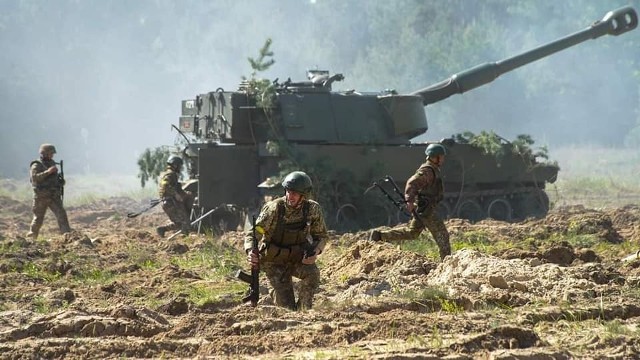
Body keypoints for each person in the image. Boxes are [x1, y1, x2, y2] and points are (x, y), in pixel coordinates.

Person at [244, 171, 328, 310]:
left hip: (296, 258)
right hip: (274, 262)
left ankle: (304, 310)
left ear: (304, 195)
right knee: (287, 308)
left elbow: (321, 236)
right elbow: (254, 233)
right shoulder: (274, 209)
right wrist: (250, 251)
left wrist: (316, 251)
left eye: (295, 193)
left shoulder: (312, 209)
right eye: (288, 191)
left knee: (312, 274)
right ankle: (277, 293)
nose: (290, 196)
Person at [370, 143, 451, 260]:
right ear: (435, 157)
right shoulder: (428, 171)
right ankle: (447, 263)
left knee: (412, 233)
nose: (443, 159)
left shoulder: (432, 169)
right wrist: (409, 200)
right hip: (427, 210)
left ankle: (380, 236)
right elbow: (412, 183)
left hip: (424, 208)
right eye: (441, 156)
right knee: (442, 235)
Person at [27, 144, 71, 238]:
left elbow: (53, 180)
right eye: (50, 153)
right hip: (41, 197)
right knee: (38, 218)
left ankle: (68, 236)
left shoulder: (52, 163)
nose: (52, 156)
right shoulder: (36, 164)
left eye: (52, 154)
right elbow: (34, 178)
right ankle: (31, 238)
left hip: (54, 196)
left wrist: (60, 182)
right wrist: (48, 172)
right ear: (44, 153)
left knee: (61, 215)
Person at [156, 155, 193, 237]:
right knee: (185, 223)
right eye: (179, 166)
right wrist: (176, 195)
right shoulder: (170, 174)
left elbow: (175, 187)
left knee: (181, 222)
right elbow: (166, 185)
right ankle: (183, 240)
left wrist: (185, 193)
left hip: (168, 202)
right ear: (175, 165)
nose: (180, 168)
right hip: (170, 202)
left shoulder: (168, 174)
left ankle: (162, 229)